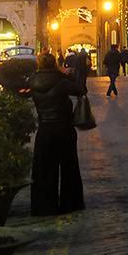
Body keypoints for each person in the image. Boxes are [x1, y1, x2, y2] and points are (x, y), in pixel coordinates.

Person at [28, 52, 85, 216]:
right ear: (55, 64)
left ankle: (44, 205)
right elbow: (81, 89)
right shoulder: (61, 81)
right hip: (64, 128)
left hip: (44, 128)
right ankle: (71, 203)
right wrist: (67, 75)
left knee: (43, 169)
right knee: (69, 167)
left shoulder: (33, 80)